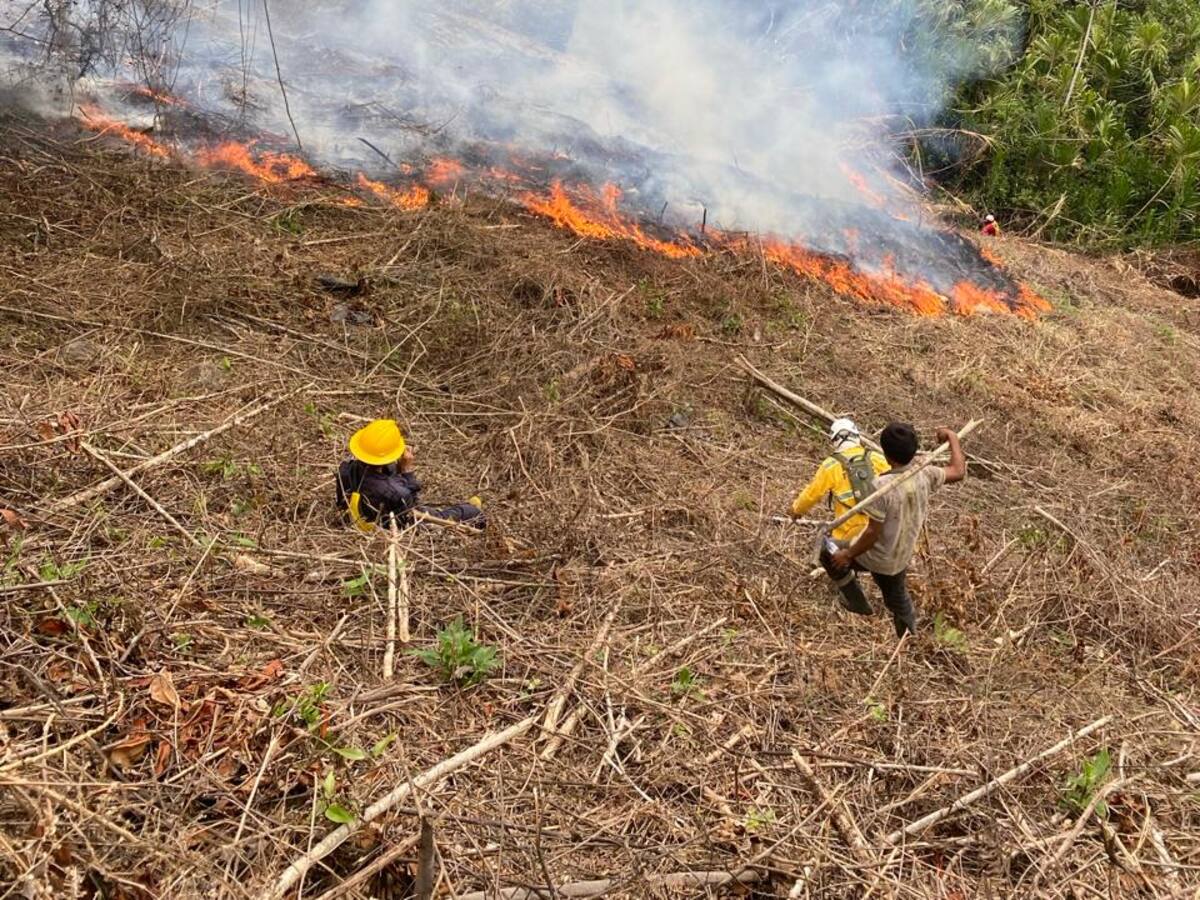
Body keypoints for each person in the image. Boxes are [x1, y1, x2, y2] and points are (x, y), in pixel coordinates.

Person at [821, 423, 966, 637]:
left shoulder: (882, 487)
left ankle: (856, 601)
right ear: (914, 451)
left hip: (877, 556)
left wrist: (847, 555)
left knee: (827, 550)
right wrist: (952, 437)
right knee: (898, 600)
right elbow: (958, 471)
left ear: (886, 454)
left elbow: (872, 534)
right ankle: (910, 639)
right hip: (902, 554)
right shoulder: (924, 475)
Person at [335, 419, 484, 531]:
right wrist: (407, 471)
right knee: (465, 513)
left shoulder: (345, 470)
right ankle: (469, 511)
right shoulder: (397, 493)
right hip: (393, 523)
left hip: (367, 512)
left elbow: (342, 501)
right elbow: (412, 509)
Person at [790, 418, 890, 545]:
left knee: (827, 554)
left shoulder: (831, 465)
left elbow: (812, 494)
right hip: (877, 530)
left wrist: (796, 510)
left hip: (846, 533)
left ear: (835, 440)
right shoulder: (877, 458)